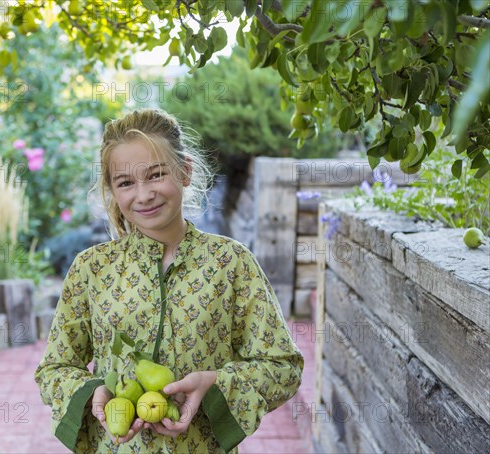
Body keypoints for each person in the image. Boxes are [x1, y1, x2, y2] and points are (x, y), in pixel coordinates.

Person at [34, 109, 304, 453]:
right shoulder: (91, 268)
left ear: (185, 171)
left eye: (156, 175)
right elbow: (55, 368)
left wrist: (214, 382)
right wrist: (94, 392)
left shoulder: (230, 263)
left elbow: (282, 366)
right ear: (112, 191)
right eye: (126, 183)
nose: (143, 195)